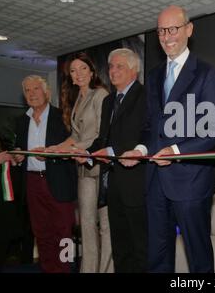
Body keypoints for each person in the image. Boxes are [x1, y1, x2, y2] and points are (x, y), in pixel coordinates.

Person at [120, 5, 215, 273]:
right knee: (157, 256)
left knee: (198, 257)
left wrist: (175, 150)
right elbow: (150, 126)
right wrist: (140, 149)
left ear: (189, 30)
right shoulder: (154, 76)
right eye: (161, 31)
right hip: (155, 181)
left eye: (173, 29)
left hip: (190, 182)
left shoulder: (207, 74)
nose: (167, 36)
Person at [75, 48, 148, 273]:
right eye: (111, 66)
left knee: (141, 250)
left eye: (119, 66)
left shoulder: (145, 96)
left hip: (137, 185)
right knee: (120, 249)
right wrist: (87, 156)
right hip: (112, 185)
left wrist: (111, 150)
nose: (113, 71)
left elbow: (146, 134)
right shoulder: (109, 102)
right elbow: (102, 139)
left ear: (134, 71)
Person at [46, 52, 113, 273]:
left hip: (101, 167)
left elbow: (102, 135)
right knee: (86, 226)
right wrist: (54, 149)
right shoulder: (78, 101)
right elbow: (75, 136)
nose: (79, 73)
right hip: (83, 169)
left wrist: (77, 149)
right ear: (71, 78)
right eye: (74, 71)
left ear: (92, 72)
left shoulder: (100, 94)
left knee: (106, 227)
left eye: (83, 68)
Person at [13, 75, 77, 273]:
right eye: (28, 91)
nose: (32, 94)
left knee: (64, 232)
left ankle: (65, 269)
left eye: (36, 89)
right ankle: (48, 269)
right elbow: (19, 149)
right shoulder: (22, 121)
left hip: (59, 181)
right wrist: (18, 156)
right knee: (41, 232)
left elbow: (75, 145)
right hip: (33, 183)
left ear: (46, 92)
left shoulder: (63, 117)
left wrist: (51, 153)